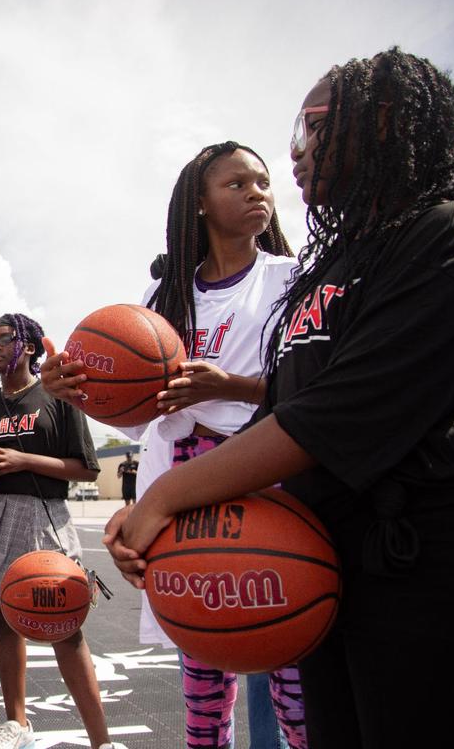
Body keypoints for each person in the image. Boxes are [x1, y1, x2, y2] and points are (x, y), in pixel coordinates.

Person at [89, 48, 454, 747]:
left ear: (381, 123)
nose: (295, 156)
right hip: (329, 567)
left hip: (427, 573)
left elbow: (333, 418)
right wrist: (184, 524)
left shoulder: (452, 232)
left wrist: (167, 498)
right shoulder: (330, 269)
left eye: (310, 131)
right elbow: (278, 411)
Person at [52, 142, 306, 749]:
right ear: (199, 202)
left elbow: (320, 392)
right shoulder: (161, 302)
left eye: (262, 182)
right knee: (201, 680)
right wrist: (80, 393)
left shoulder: (292, 280)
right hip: (179, 498)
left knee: (294, 675)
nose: (257, 192)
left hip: (263, 487)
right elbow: (144, 421)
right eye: (237, 183)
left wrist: (234, 386)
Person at [0, 314, 113, 749]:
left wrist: (23, 460)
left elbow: (86, 469)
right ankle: (18, 723)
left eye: (3, 339)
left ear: (28, 345)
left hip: (42, 516)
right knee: (3, 619)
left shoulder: (57, 396)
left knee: (64, 625)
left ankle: (101, 741)